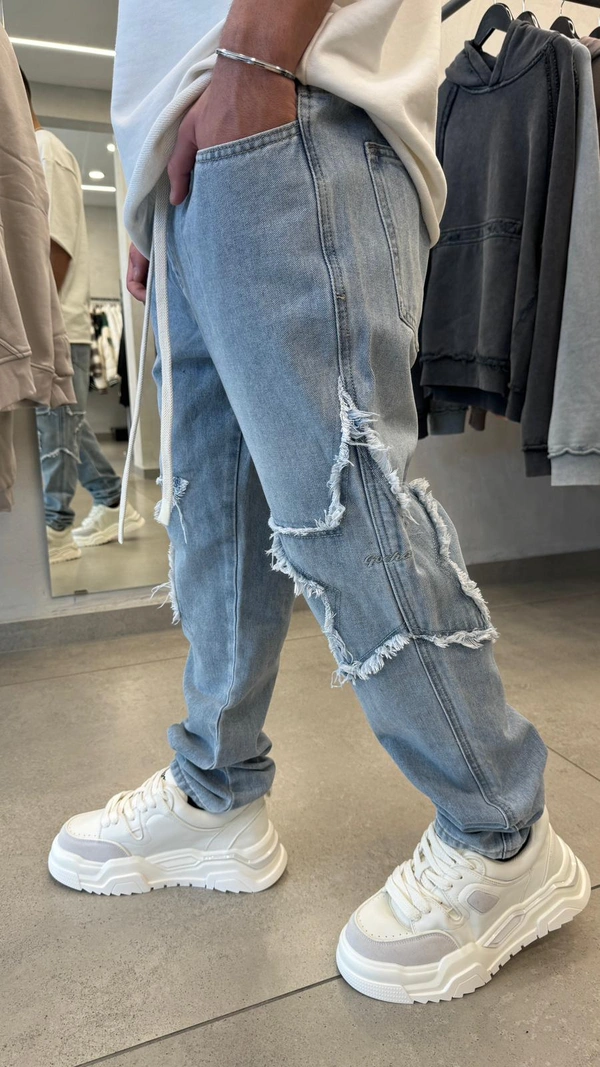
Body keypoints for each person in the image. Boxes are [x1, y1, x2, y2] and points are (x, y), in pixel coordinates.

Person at [47, 0, 590, 1004]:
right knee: (218, 513)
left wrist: (259, 52)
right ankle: (217, 790)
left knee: (342, 503)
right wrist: (148, 192)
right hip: (197, 152)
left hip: (290, 98)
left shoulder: (269, 69)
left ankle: (501, 830)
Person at [21, 70, 144, 564]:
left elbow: (56, 248)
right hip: (51, 324)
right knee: (66, 426)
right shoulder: (29, 154)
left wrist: (33, 326)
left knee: (53, 432)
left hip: (56, 325)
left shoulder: (45, 151)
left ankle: (55, 531)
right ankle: (114, 501)